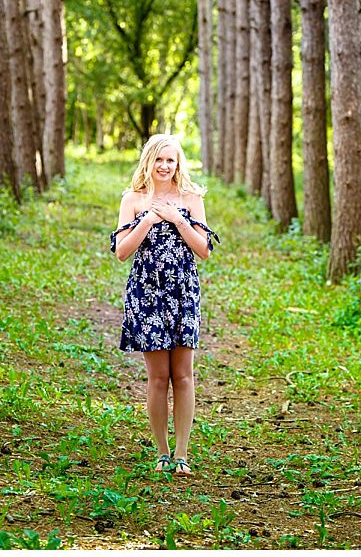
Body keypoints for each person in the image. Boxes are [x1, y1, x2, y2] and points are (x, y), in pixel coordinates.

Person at [109, 134, 217, 477]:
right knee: (158, 378)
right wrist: (149, 219)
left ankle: (183, 454)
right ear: (148, 161)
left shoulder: (191, 197)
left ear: (178, 163)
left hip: (183, 292)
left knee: (183, 376)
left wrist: (178, 219)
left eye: (170, 160)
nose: (165, 166)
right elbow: (122, 251)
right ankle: (162, 453)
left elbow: (204, 250)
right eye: (159, 160)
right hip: (146, 293)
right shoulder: (134, 199)